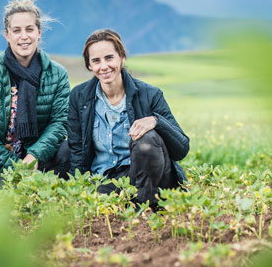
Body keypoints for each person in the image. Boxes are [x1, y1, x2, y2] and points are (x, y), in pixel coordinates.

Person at [67, 29, 189, 205]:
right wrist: (76, 190)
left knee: (147, 139)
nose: (104, 66)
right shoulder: (79, 97)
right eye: (96, 61)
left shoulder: (150, 94)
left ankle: (144, 206)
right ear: (89, 65)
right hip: (107, 179)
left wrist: (156, 121)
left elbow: (182, 149)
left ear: (121, 57)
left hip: (148, 178)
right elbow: (77, 150)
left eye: (109, 58)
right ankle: (127, 202)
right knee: (99, 199)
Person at [0, 0, 70, 191]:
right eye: (16, 30)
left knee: (68, 151)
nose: (24, 36)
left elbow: (59, 123)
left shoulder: (57, 74)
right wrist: (16, 166)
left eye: (29, 29)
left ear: (39, 32)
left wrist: (34, 155)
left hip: (36, 159)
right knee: (8, 206)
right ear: (6, 34)